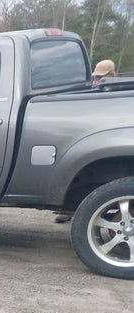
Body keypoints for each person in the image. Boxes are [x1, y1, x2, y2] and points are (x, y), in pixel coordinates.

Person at [55, 59, 117, 223]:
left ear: (112, 75)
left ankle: (105, 213)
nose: (97, 80)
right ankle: (68, 209)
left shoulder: (118, 93)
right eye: (96, 77)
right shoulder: (94, 91)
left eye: (101, 77)